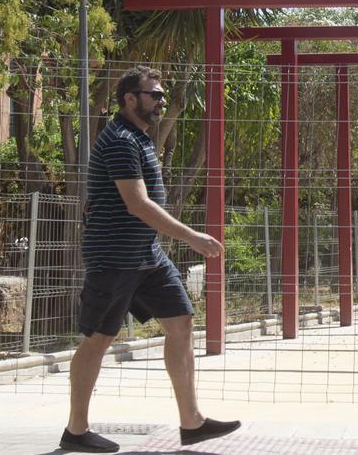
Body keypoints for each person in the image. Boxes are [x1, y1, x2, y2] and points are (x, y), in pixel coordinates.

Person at [59, 66, 240, 453]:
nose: (160, 100)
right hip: (115, 257)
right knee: (98, 339)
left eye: (161, 95)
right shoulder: (121, 140)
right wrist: (191, 236)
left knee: (181, 321)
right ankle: (76, 431)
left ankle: (192, 422)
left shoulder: (140, 139)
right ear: (129, 99)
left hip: (147, 255)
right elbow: (137, 204)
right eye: (153, 94)